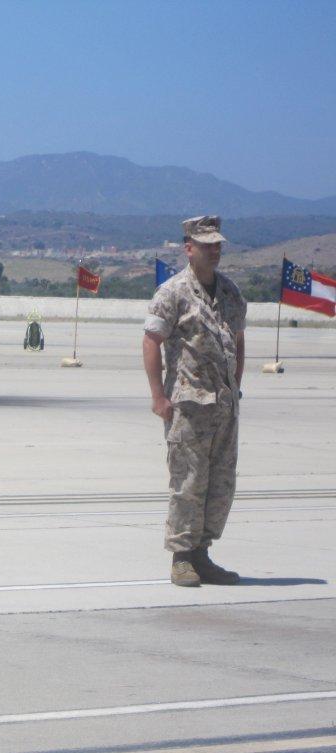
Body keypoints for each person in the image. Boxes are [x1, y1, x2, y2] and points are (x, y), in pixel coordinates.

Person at [142, 215, 246, 587]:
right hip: (188, 407)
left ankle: (202, 555)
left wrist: (235, 387)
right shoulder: (173, 292)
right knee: (188, 483)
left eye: (218, 245)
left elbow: (237, 337)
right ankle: (181, 558)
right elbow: (152, 341)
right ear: (189, 248)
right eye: (207, 245)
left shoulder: (230, 292)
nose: (214, 251)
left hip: (223, 408)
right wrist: (158, 396)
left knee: (220, 485)